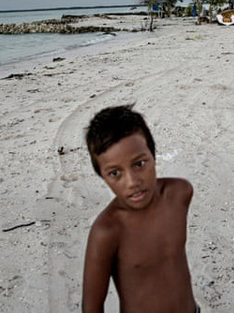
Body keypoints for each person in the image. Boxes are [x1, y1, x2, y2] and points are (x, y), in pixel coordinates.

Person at [82, 105, 198, 313]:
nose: (132, 181)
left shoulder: (179, 194)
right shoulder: (107, 231)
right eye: (115, 173)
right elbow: (91, 308)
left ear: (154, 156)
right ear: (102, 176)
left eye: (139, 164)